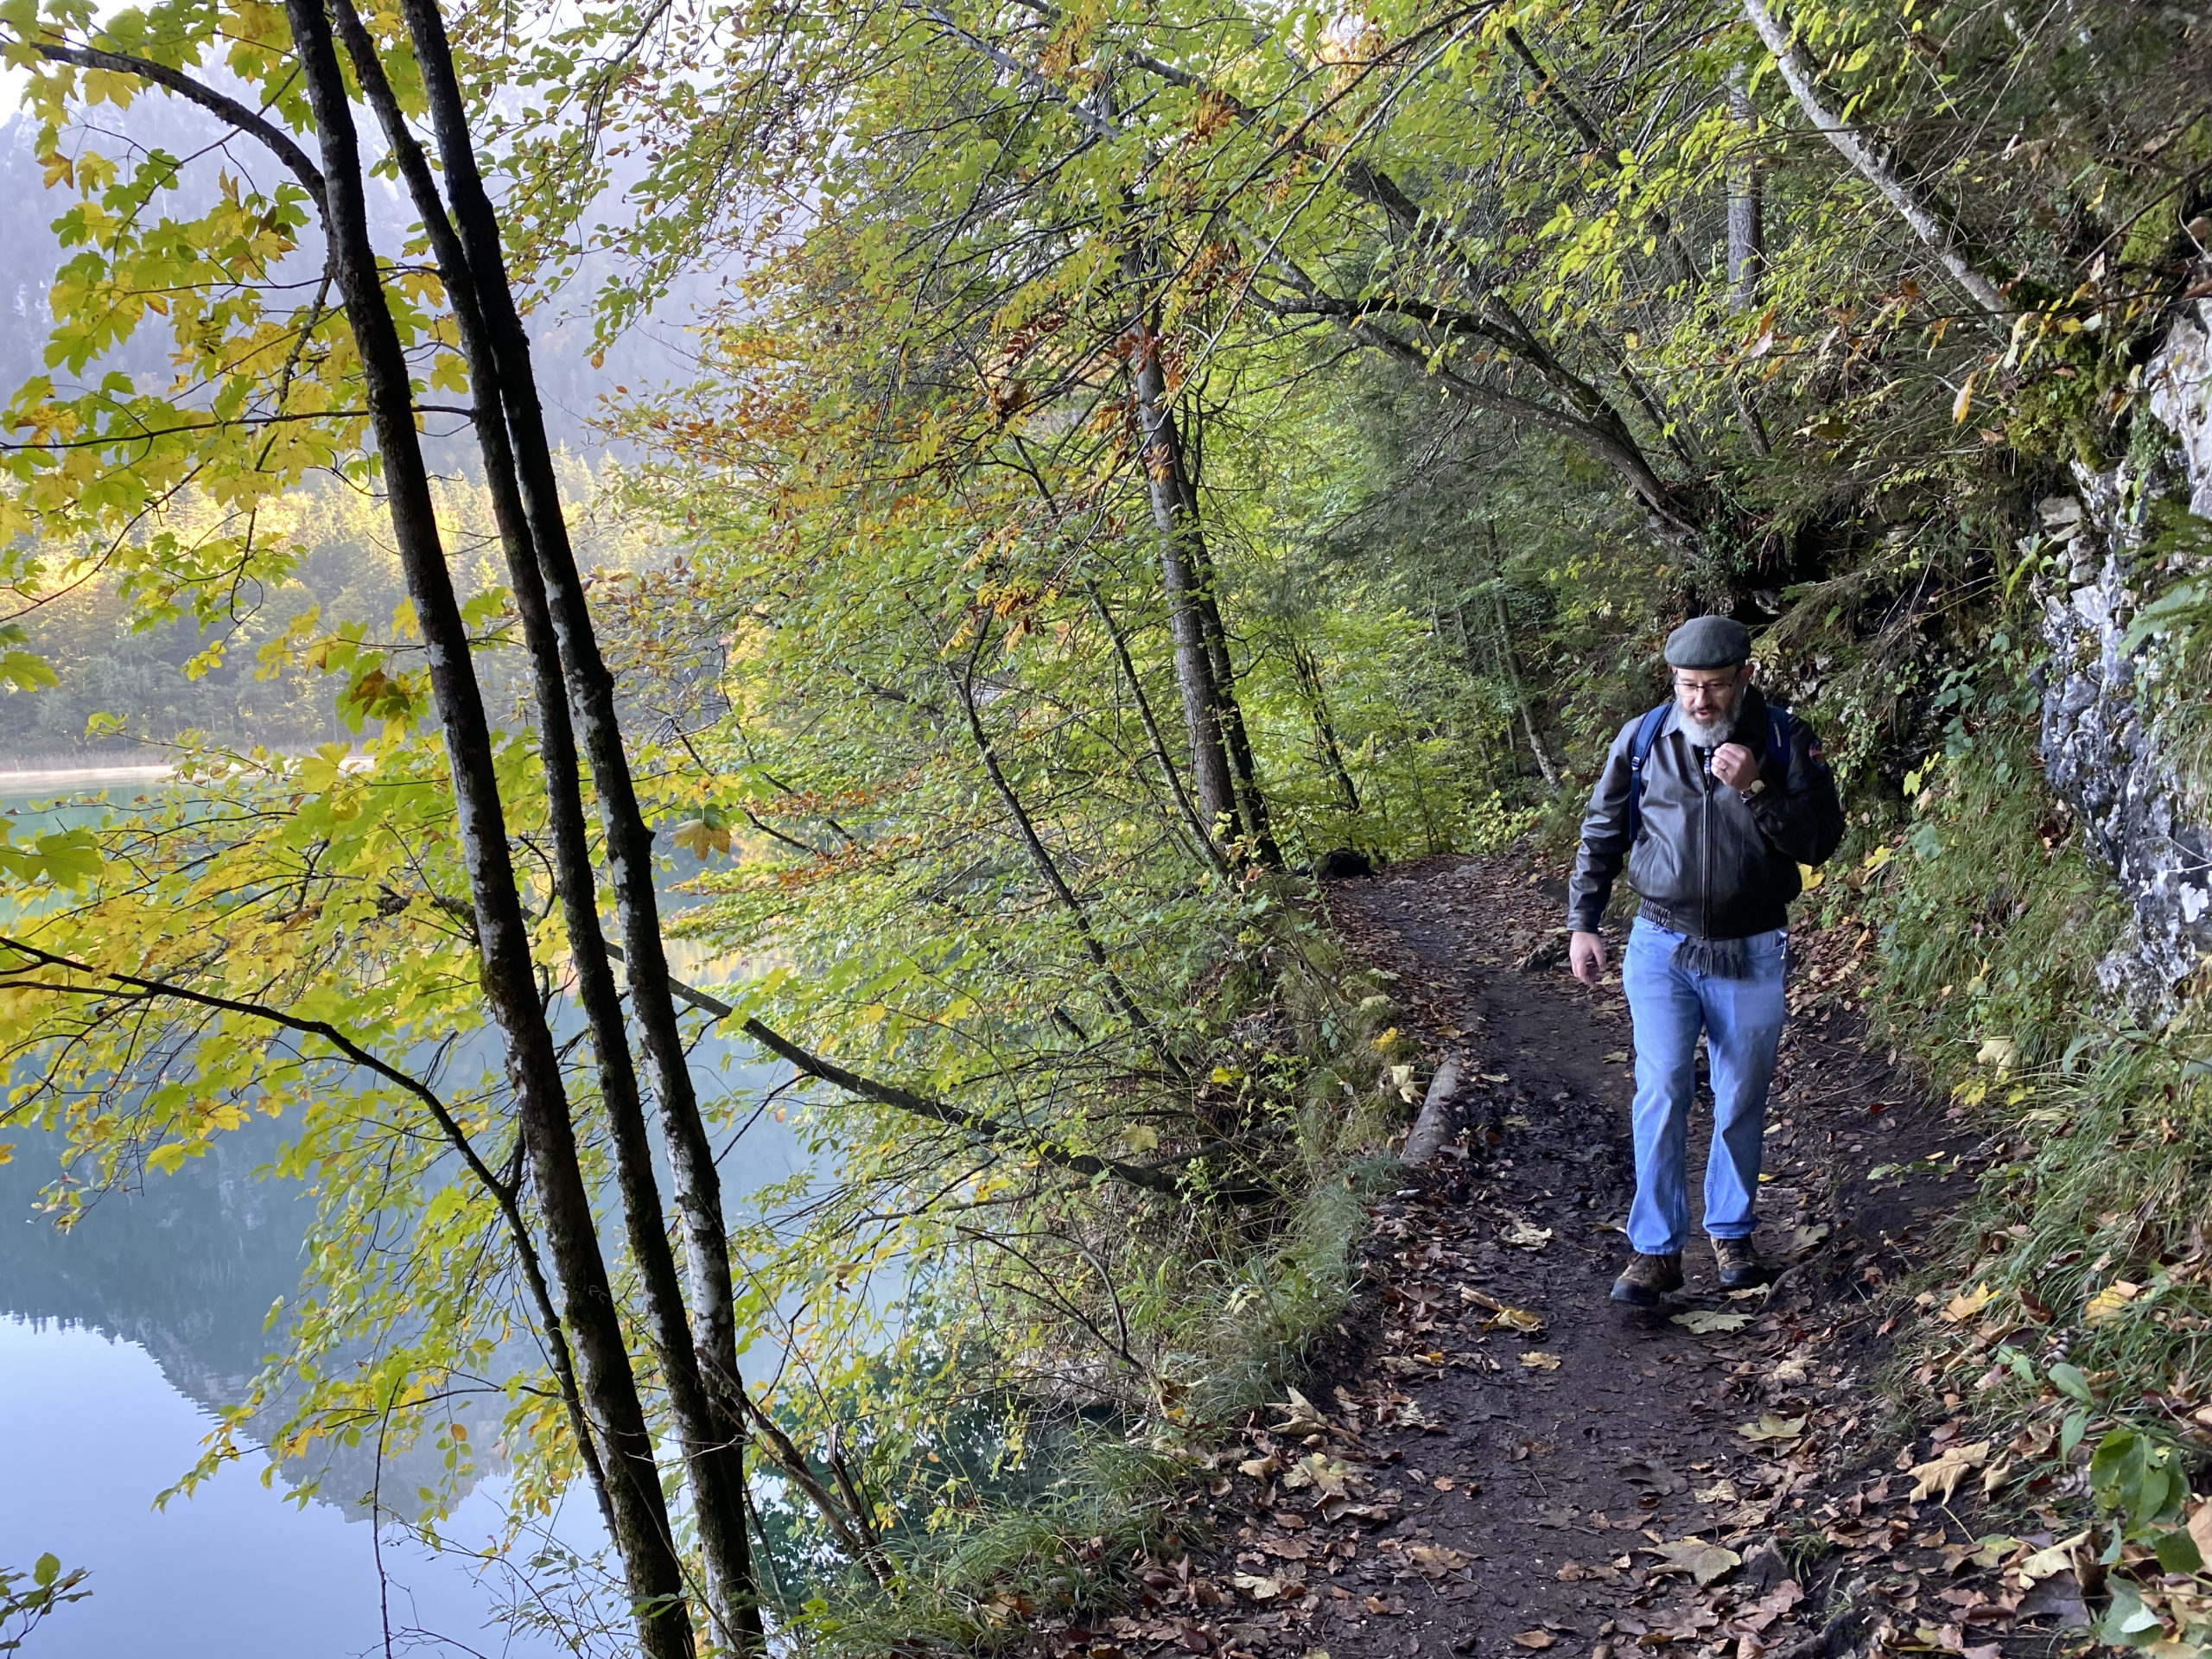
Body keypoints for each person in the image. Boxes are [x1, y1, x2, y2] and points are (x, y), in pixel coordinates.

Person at [1567, 617, 1846, 1306]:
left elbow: (1820, 842)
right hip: (1660, 944)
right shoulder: (1642, 739)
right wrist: (1583, 923)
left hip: (1752, 946)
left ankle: (1731, 1234)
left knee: (1741, 1095)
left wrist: (1755, 788)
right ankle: (1655, 1252)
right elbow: (1602, 831)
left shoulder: (1784, 737)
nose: (1701, 702)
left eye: (1716, 687)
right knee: (1662, 1090)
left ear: (1744, 678)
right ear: (1674, 681)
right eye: (1690, 686)